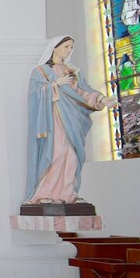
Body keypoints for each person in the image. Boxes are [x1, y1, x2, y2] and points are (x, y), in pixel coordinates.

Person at [25, 36, 116, 205]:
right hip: (54, 119)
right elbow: (35, 94)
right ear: (55, 48)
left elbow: (83, 92)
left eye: (71, 47)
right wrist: (54, 84)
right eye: (66, 46)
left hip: (73, 119)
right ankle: (44, 193)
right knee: (56, 153)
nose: (69, 50)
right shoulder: (41, 71)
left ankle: (68, 193)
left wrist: (103, 100)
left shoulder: (73, 71)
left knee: (72, 155)